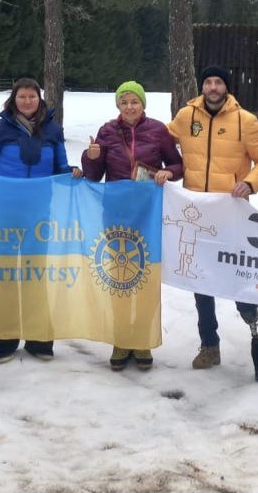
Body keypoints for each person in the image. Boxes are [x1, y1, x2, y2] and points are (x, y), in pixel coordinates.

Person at [167, 65, 258, 382]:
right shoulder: (186, 116)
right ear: (202, 86)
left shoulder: (245, 121)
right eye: (208, 82)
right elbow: (158, 141)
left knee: (237, 274)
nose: (213, 87)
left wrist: (250, 183)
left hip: (231, 213)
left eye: (218, 82)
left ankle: (252, 323)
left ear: (227, 87)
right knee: (201, 282)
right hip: (197, 211)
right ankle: (209, 344)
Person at [0, 77, 79, 363]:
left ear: (39, 99)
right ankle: (3, 340)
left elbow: (60, 167)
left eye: (32, 96)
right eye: (22, 96)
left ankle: (38, 339)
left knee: (35, 276)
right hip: (2, 212)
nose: (27, 101)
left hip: (38, 213)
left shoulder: (53, 130)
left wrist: (75, 172)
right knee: (2, 275)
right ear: (13, 99)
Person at [81, 80, 183, 371]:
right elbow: (93, 175)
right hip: (116, 216)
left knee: (146, 278)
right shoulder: (107, 132)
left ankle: (142, 339)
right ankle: (121, 338)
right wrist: (90, 158)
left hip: (149, 215)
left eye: (134, 101)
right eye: (124, 102)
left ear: (143, 104)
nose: (129, 107)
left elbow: (178, 165)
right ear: (118, 106)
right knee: (120, 279)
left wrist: (167, 172)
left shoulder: (158, 131)